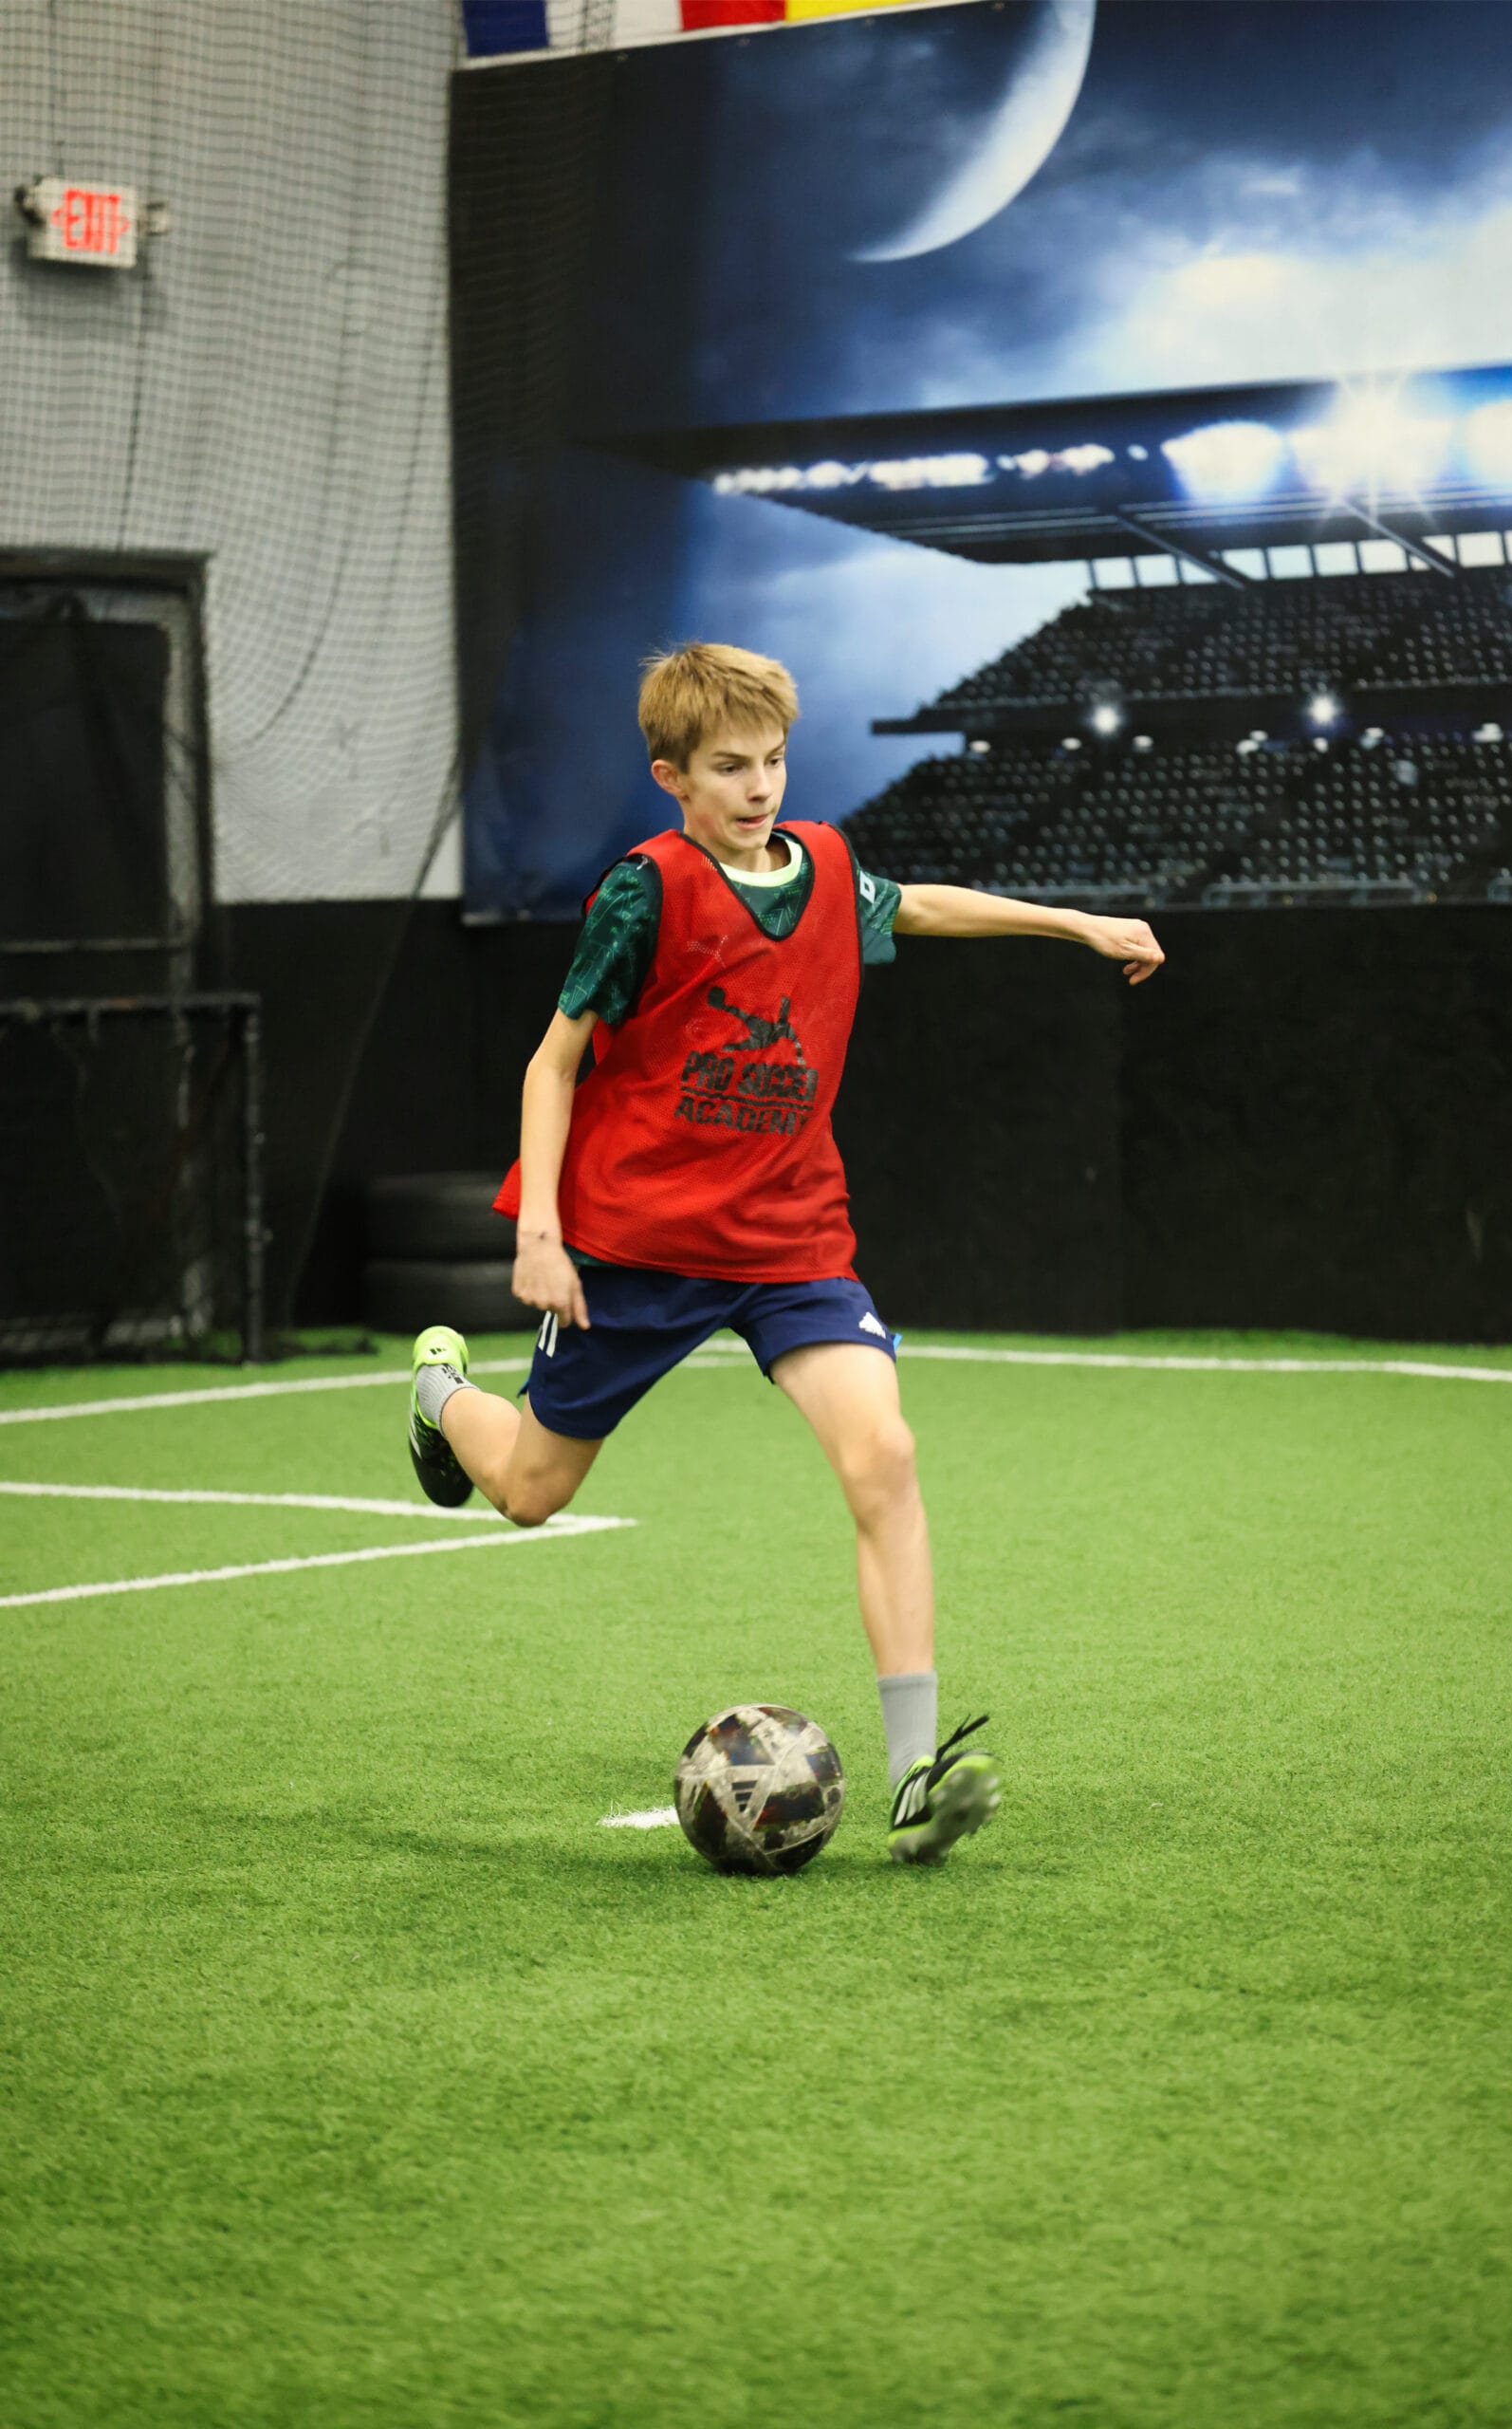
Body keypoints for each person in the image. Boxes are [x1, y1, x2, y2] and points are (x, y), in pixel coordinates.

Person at [407, 642, 1164, 1863]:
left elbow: (914, 904)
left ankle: (916, 1778)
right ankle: (440, 1394)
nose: (757, 787)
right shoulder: (642, 894)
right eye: (726, 768)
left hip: (790, 1234)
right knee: (531, 1494)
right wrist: (539, 1233)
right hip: (638, 1244)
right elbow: (554, 1065)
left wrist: (1075, 922)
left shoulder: (825, 867)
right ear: (671, 776)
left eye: (770, 761)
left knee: (886, 1453)